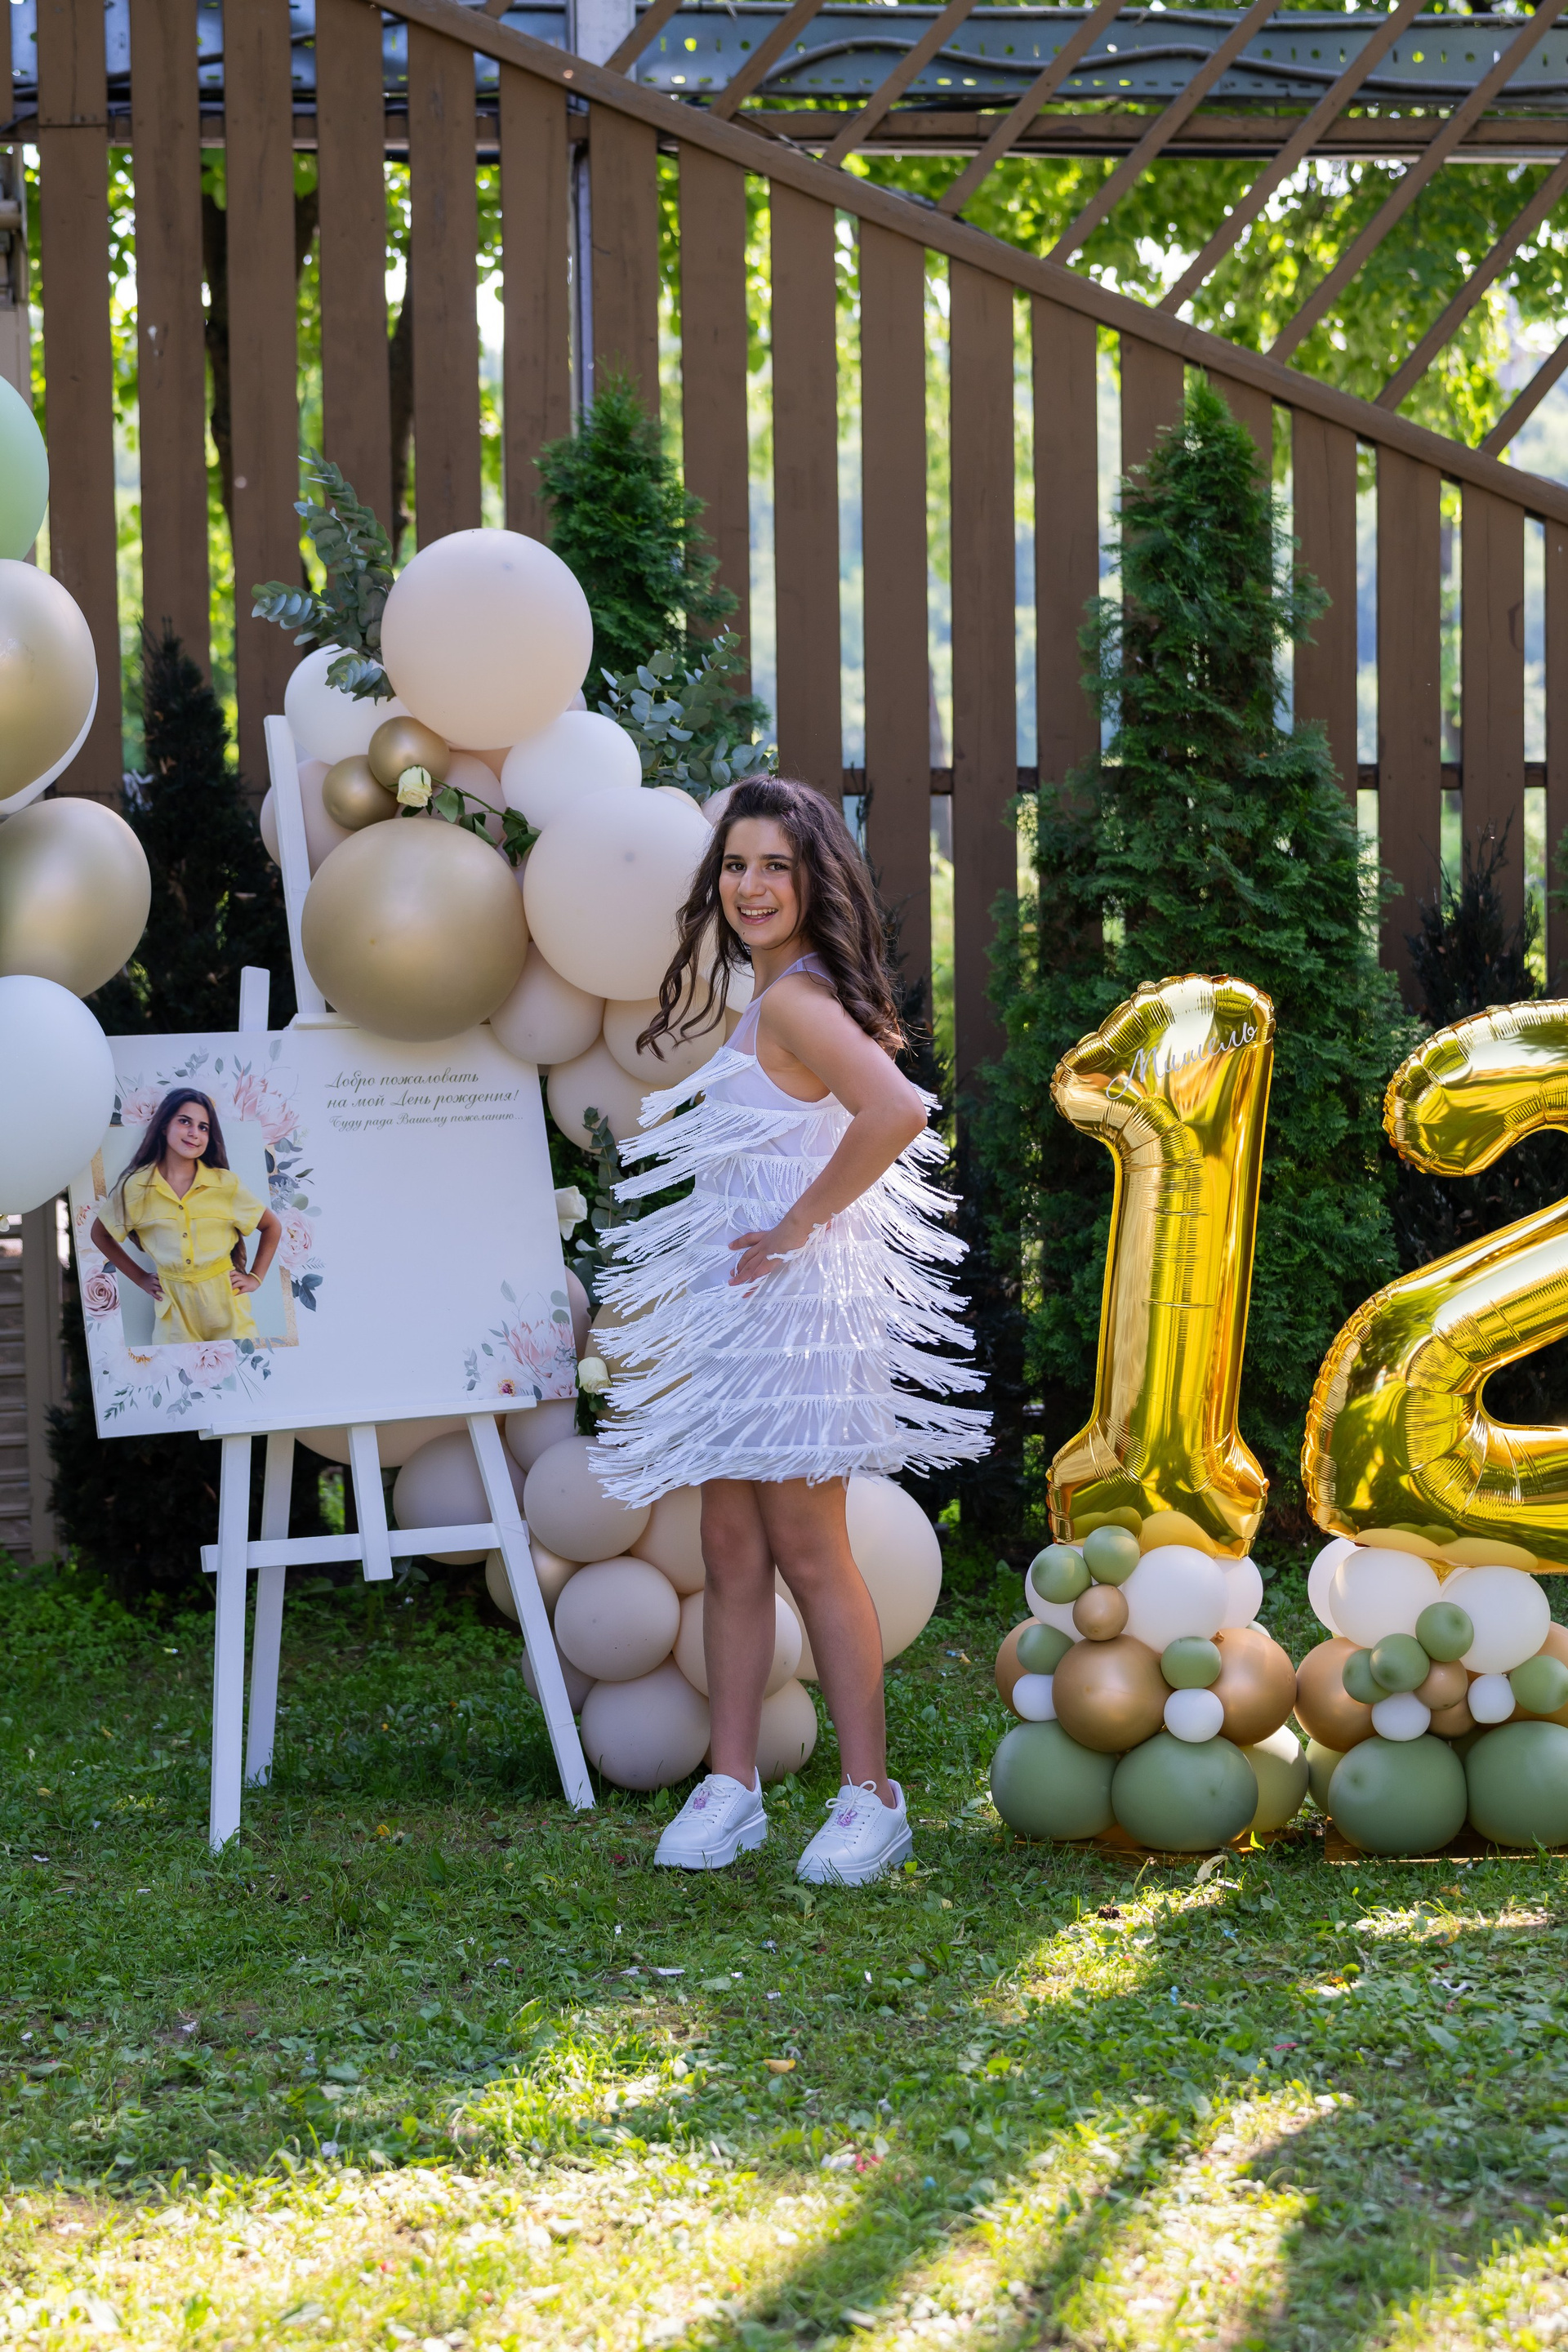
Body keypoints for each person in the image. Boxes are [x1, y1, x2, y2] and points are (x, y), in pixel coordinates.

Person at [591, 776, 989, 1884]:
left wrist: (798, 1224)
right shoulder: (770, 996)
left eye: (776, 865)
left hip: (794, 1322)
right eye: (735, 865)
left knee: (809, 1552)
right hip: (741, 1319)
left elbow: (897, 1109)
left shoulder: (801, 1003)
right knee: (729, 1549)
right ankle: (733, 1787)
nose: (751, 885)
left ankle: (872, 1797)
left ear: (817, 879)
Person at [90, 1089, 282, 1347]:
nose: (194, 1132)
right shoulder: (135, 1188)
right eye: (184, 1121)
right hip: (174, 1314)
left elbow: (271, 1226)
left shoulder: (225, 1184)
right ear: (164, 1126)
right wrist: (141, 1278)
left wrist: (255, 1277)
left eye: (203, 1127)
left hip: (228, 1308)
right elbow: (100, 1234)